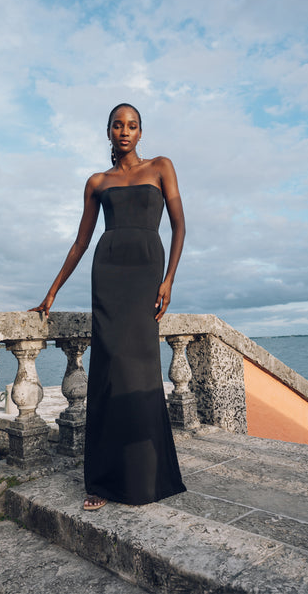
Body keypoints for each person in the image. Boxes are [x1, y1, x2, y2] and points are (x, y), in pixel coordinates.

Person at [30, 103, 186, 510]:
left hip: (147, 273)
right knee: (108, 371)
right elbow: (81, 241)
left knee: (142, 369)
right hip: (109, 274)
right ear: (108, 131)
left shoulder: (161, 167)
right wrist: (53, 291)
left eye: (132, 126)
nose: (125, 131)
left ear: (140, 132)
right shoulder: (98, 181)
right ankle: (101, 481)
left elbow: (179, 225)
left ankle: (145, 475)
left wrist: (169, 279)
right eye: (118, 125)